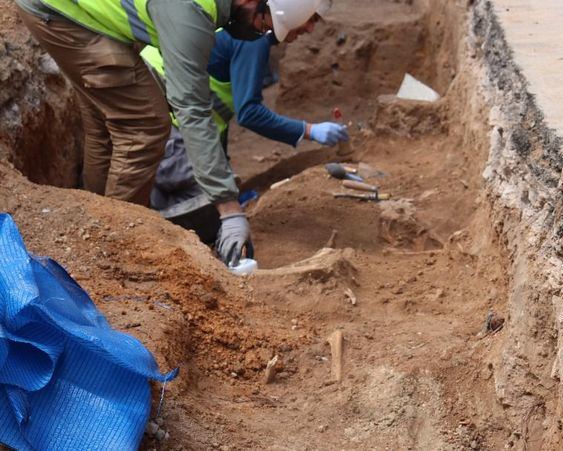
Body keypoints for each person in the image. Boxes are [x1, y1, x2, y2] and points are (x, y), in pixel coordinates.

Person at [14, 0, 331, 266]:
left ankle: (94, 224)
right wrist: (229, 208)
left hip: (67, 9)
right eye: (264, 23)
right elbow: (191, 108)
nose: (262, 33)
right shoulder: (190, 11)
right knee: (145, 124)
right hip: (62, 12)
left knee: (104, 126)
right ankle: (116, 247)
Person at [142, 20, 348, 266]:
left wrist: (221, 164)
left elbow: (216, 116)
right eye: (310, 19)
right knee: (200, 207)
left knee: (195, 189)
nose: (310, 29)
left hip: (154, 96)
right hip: (159, 106)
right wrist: (309, 130)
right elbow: (249, 113)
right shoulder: (253, 38)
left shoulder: (241, 24)